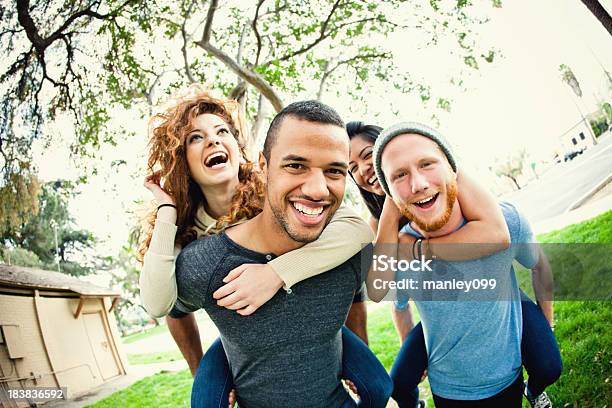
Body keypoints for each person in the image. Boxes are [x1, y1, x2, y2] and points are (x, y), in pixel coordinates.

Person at [139, 91, 389, 407]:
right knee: (205, 401)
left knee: (380, 386)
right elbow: (160, 303)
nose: (213, 142)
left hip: (306, 320)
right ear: (182, 159)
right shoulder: (186, 229)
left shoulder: (269, 191)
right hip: (236, 330)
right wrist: (166, 213)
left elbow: (354, 228)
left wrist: (275, 273)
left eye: (221, 132)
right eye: (196, 138)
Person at [369, 122, 562, 407]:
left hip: (507, 376)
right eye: (399, 175)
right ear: (390, 196)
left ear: (452, 168)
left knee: (548, 367)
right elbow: (383, 294)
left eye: (427, 163)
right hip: (448, 388)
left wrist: (545, 326)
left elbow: (540, 266)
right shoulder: (397, 251)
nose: (418, 184)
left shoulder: (507, 221)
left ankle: (533, 391)